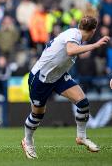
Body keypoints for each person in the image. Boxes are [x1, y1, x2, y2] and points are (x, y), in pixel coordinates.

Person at [21, 15, 110, 159]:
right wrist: (95, 45)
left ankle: (81, 137)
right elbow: (70, 50)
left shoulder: (74, 34)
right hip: (40, 78)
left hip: (59, 76)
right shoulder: (73, 34)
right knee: (37, 115)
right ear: (93, 31)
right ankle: (28, 141)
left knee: (83, 103)